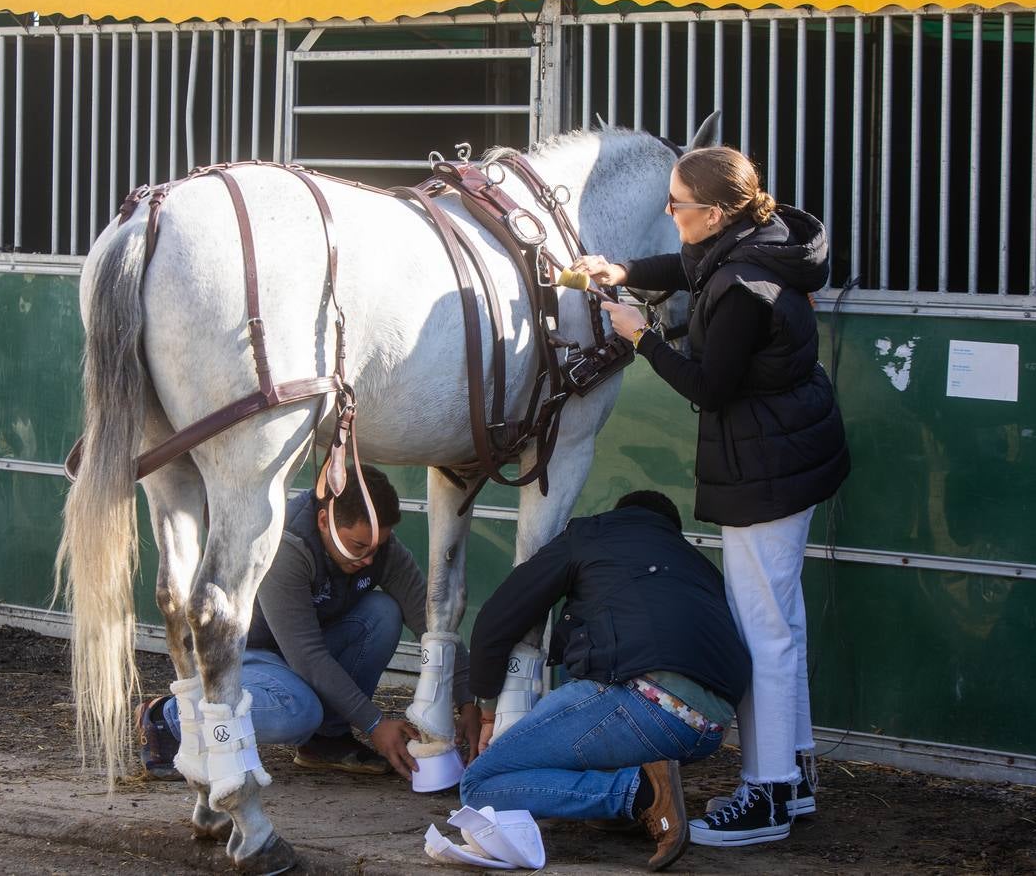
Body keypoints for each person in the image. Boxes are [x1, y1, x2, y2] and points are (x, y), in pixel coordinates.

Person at [567, 145, 850, 847]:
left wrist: (641, 337)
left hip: (766, 465)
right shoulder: (759, 237)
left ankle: (769, 795)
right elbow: (690, 264)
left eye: (677, 206)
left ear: (716, 212)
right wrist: (624, 268)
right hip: (788, 451)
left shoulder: (743, 288)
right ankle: (794, 773)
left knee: (763, 629)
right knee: (778, 617)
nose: (669, 214)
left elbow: (708, 387)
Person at [459, 490, 751, 871]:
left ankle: (640, 794)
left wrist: (486, 709)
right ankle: (630, 800)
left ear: (620, 514)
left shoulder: (591, 534)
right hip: (707, 730)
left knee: (479, 785)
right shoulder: (701, 566)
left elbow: (498, 619)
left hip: (644, 701)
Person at [136, 465, 481, 781]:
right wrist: (375, 723)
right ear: (322, 522)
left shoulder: (376, 545)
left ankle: (326, 741)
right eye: (359, 546)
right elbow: (308, 657)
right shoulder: (287, 545)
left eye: (378, 546)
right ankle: (170, 718)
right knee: (298, 710)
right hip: (250, 655)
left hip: (299, 653)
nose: (369, 559)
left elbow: (431, 623)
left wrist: (466, 700)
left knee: (383, 613)